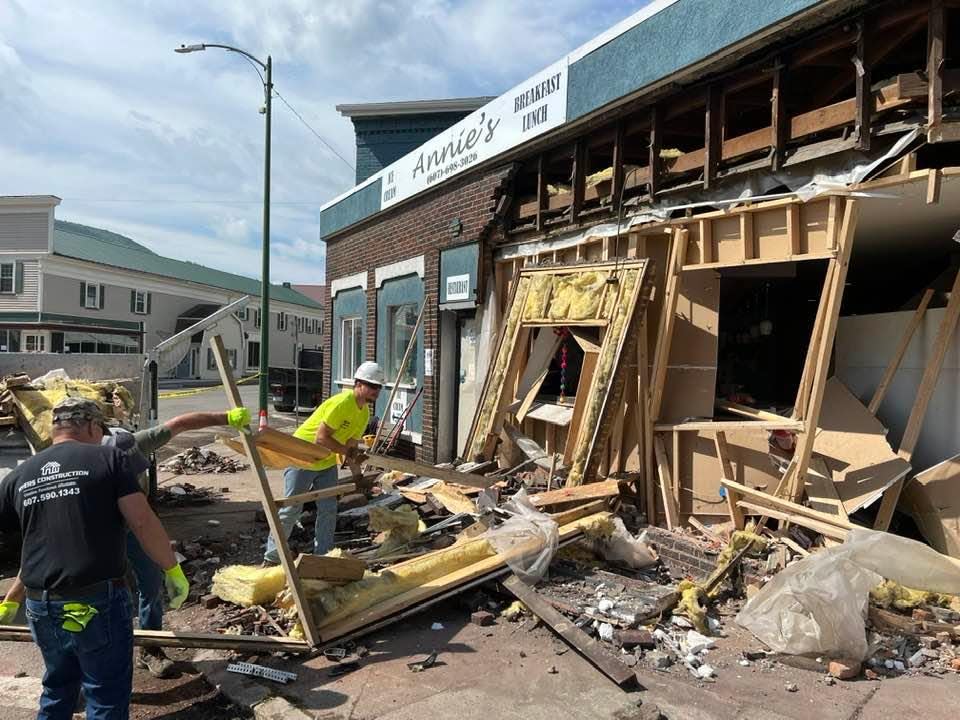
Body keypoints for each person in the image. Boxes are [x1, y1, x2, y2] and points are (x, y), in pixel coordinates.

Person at [0, 406, 251, 679]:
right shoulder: (85, 460)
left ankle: (150, 649)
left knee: (150, 584)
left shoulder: (134, 444)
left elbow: (180, 422)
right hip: (96, 523)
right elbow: (46, 547)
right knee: (81, 580)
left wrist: (225, 417)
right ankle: (77, 667)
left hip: (131, 525)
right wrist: (13, 598)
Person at [0, 397, 189, 719]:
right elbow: (141, 521)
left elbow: (34, 544)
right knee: (105, 693)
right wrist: (171, 569)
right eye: (100, 429)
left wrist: (13, 598)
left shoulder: (19, 476)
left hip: (40, 606)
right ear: (90, 425)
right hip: (94, 601)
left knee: (58, 688)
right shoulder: (109, 458)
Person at [263, 361, 384, 564]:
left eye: (379, 387)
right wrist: (348, 452)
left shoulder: (364, 414)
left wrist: (358, 477)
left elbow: (351, 449)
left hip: (325, 462)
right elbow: (322, 438)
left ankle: (323, 556)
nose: (376, 391)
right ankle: (272, 557)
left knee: (328, 508)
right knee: (292, 508)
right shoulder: (343, 402)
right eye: (372, 386)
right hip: (303, 455)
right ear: (358, 384)